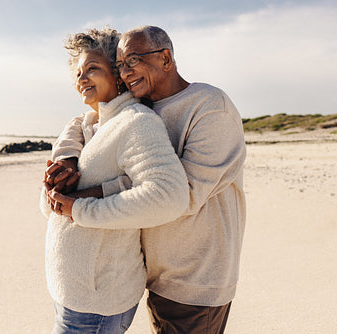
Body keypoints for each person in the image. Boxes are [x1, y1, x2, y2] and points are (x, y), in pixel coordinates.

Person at [46, 25, 247, 334]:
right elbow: (91, 121)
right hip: (157, 272)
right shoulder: (145, 106)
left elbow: (182, 195)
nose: (126, 72)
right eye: (122, 64)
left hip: (196, 277)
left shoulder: (209, 106)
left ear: (165, 58)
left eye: (133, 60)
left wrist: (84, 198)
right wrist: (66, 157)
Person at [40, 26, 190, 334]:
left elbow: (169, 196)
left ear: (119, 74)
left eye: (92, 69)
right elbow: (53, 209)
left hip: (97, 304)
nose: (81, 79)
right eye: (78, 73)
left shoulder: (136, 123)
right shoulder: (89, 127)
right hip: (74, 297)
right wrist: (53, 191)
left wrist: (79, 208)